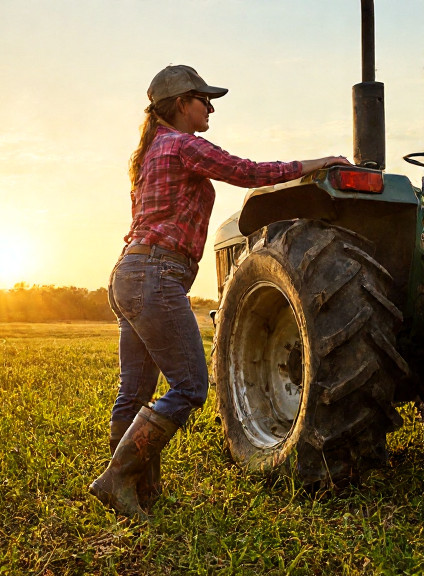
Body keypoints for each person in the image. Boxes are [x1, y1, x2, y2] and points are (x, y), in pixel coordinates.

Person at [89, 64, 351, 519]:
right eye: (203, 99)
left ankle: (140, 490)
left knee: (132, 393)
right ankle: (117, 478)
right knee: (190, 386)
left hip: (130, 271)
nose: (210, 107)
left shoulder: (152, 151)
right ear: (179, 105)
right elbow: (248, 172)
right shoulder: (182, 144)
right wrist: (318, 163)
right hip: (156, 275)